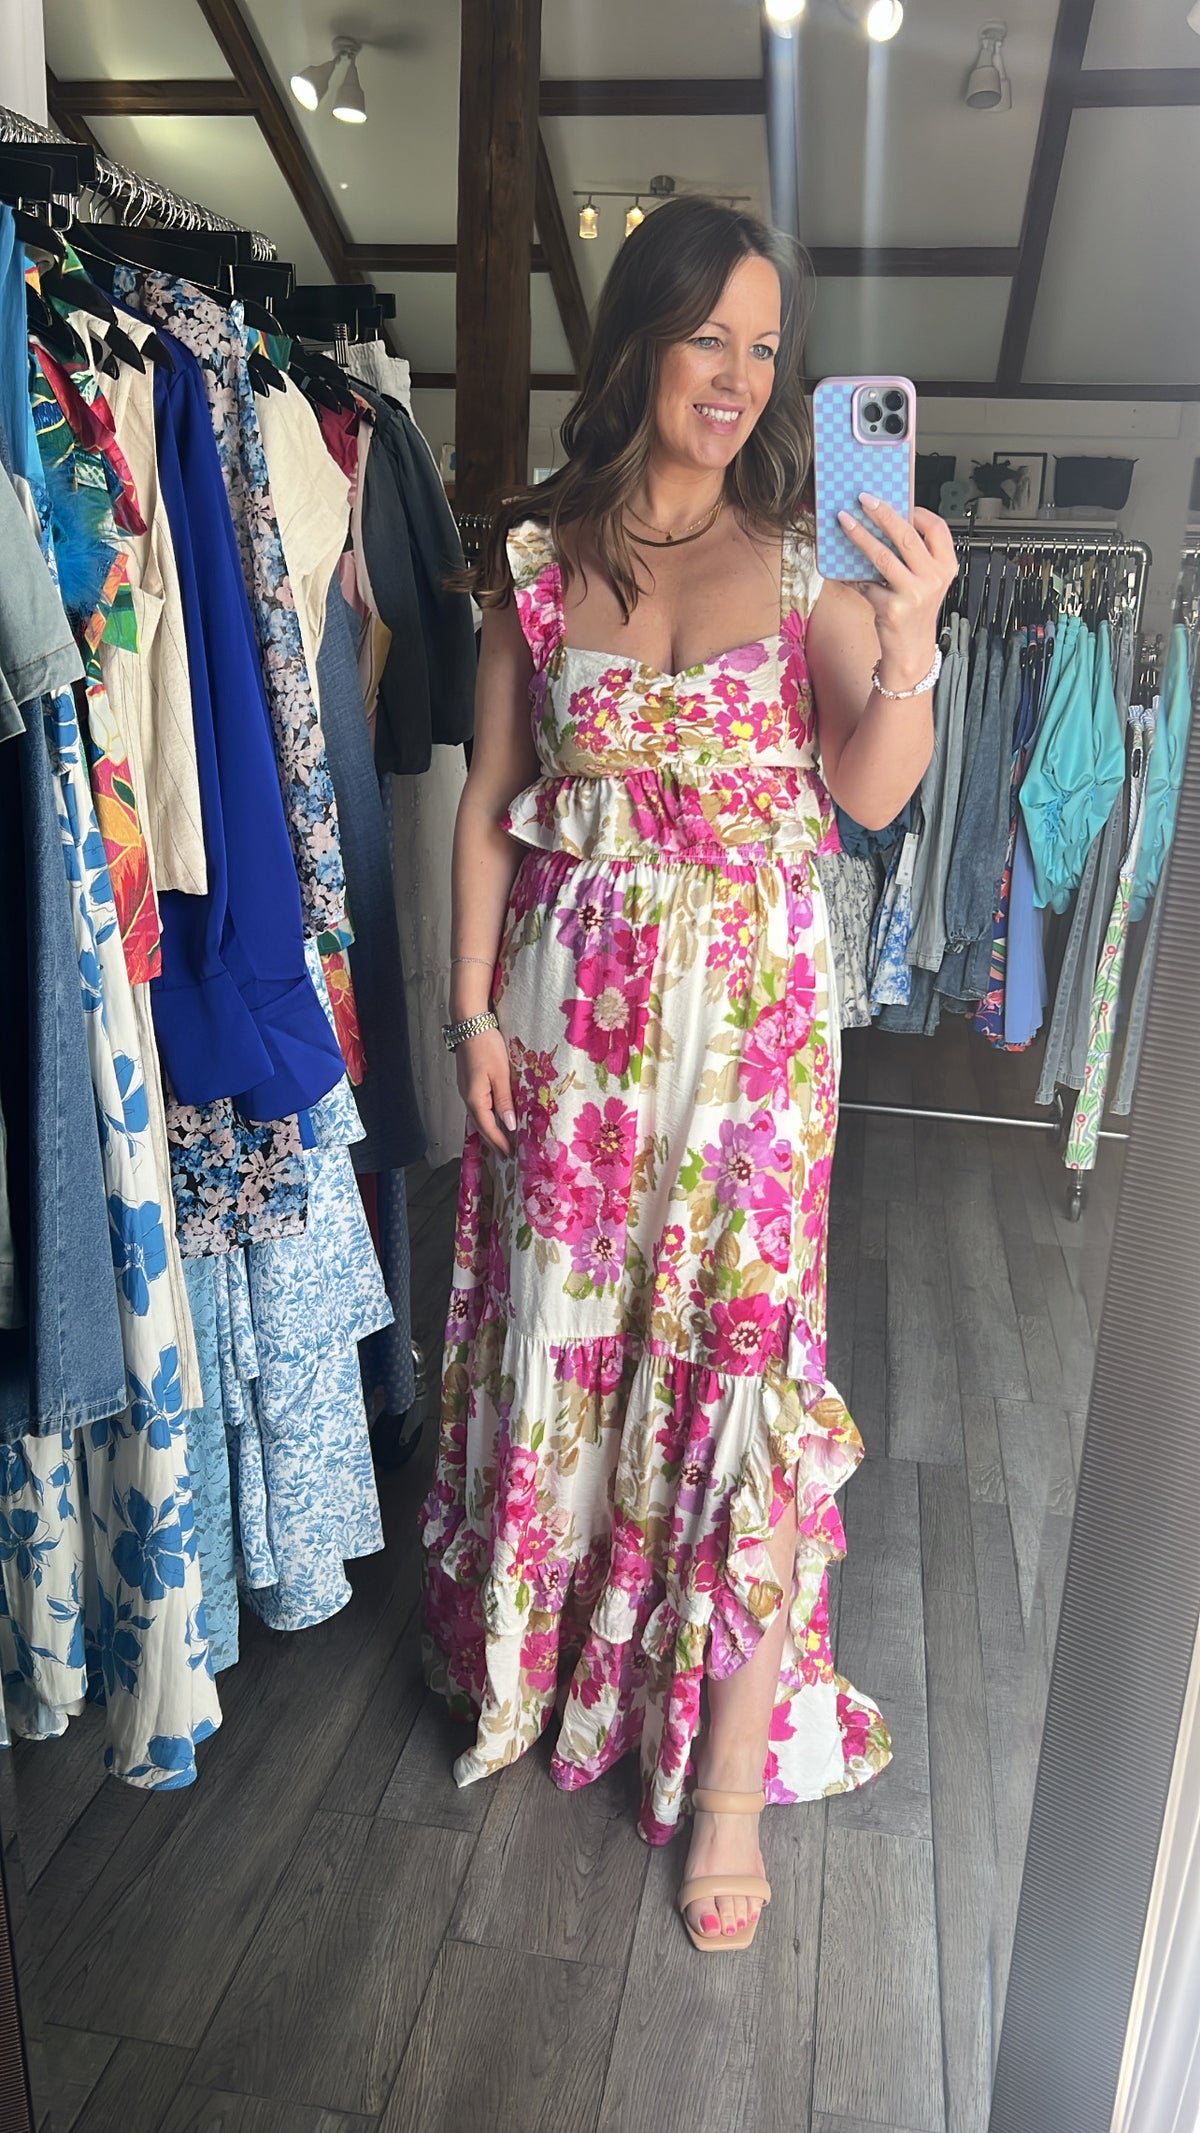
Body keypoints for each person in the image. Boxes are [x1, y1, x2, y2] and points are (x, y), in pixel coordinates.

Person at [421, 195, 956, 1952]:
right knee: (569, 1335)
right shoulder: (535, 557)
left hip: (751, 1045)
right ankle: (556, 1652)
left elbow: (866, 792)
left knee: (741, 1360)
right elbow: (493, 802)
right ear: (640, 340)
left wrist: (914, 642)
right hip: (569, 1040)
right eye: (707, 336)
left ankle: (727, 1773)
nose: (736, 377)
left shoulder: (807, 568)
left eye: (764, 347)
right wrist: (470, 1013)